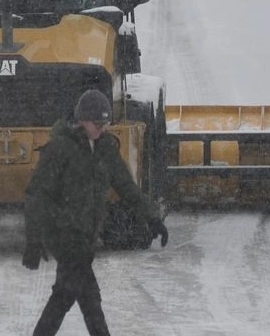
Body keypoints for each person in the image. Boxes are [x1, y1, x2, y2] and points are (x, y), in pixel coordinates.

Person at [23, 89, 169, 336]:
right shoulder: (60, 148)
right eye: (97, 123)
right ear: (82, 120)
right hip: (62, 233)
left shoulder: (105, 149)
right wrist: (34, 240)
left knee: (76, 295)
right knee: (78, 296)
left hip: (86, 234)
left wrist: (152, 217)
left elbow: (126, 186)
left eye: (105, 123)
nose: (102, 128)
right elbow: (37, 195)